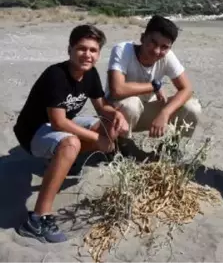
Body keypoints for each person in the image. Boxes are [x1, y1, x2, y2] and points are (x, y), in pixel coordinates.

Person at [13, 25, 129, 243]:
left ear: (98, 54)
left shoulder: (90, 73)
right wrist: (98, 140)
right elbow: (58, 122)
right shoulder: (56, 75)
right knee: (71, 143)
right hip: (33, 132)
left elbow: (101, 107)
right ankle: (36, 219)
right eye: (81, 49)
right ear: (70, 50)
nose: (87, 55)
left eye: (93, 50)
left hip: (57, 126)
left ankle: (62, 162)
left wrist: (116, 116)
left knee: (105, 126)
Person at [106, 15, 202, 145]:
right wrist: (154, 86)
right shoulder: (123, 50)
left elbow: (187, 89)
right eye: (153, 43)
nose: (157, 51)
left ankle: (173, 150)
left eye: (164, 47)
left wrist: (165, 113)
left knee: (192, 108)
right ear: (142, 38)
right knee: (131, 104)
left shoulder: (167, 57)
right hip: (116, 114)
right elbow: (117, 90)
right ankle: (120, 147)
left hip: (144, 112)